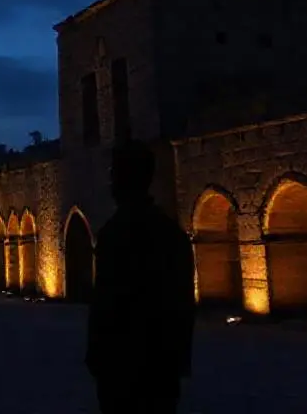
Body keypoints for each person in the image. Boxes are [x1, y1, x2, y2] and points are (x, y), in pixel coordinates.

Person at [86, 138, 197, 414]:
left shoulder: (116, 234)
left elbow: (107, 304)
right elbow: (183, 304)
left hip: (123, 365)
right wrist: (178, 358)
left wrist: (99, 356)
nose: (111, 183)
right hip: (162, 365)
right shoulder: (172, 234)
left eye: (115, 174)